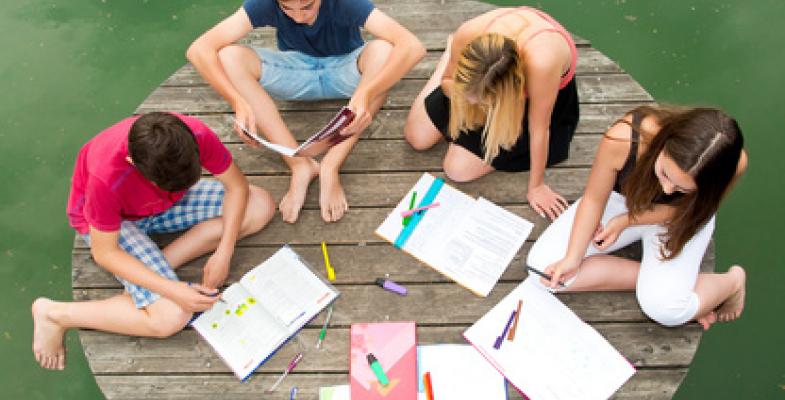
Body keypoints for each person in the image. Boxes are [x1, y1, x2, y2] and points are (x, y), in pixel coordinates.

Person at [31, 112, 275, 370]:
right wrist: (172, 289)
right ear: (131, 162)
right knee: (171, 316)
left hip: (162, 207)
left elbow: (236, 187)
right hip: (116, 225)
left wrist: (225, 251)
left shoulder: (193, 134)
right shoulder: (105, 177)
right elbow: (105, 253)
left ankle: (151, 267)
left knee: (260, 205)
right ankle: (56, 314)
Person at [187, 0, 425, 223]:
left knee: (384, 51)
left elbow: (413, 46)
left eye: (308, 6)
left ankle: (331, 164)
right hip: (296, 72)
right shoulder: (264, 3)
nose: (299, 17)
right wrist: (237, 102)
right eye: (287, 8)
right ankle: (299, 164)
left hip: (346, 70)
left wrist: (365, 93)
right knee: (228, 57)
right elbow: (198, 50)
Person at [527, 105, 748, 330]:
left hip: (680, 217)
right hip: (623, 200)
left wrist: (627, 221)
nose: (668, 190)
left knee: (666, 311)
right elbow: (593, 200)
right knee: (543, 270)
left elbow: (696, 210)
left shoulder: (731, 162)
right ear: (666, 140)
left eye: (683, 188)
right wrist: (573, 258)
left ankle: (732, 282)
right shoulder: (624, 138)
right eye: (665, 173)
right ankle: (661, 284)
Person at [404, 6, 579, 220]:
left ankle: (476, 100)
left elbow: (539, 128)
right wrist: (460, 91)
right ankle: (447, 59)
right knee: (417, 137)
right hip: (475, 85)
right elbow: (448, 82)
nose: (471, 104)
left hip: (533, 97)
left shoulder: (542, 62)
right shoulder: (468, 33)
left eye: (479, 101)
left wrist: (537, 186)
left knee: (457, 169)